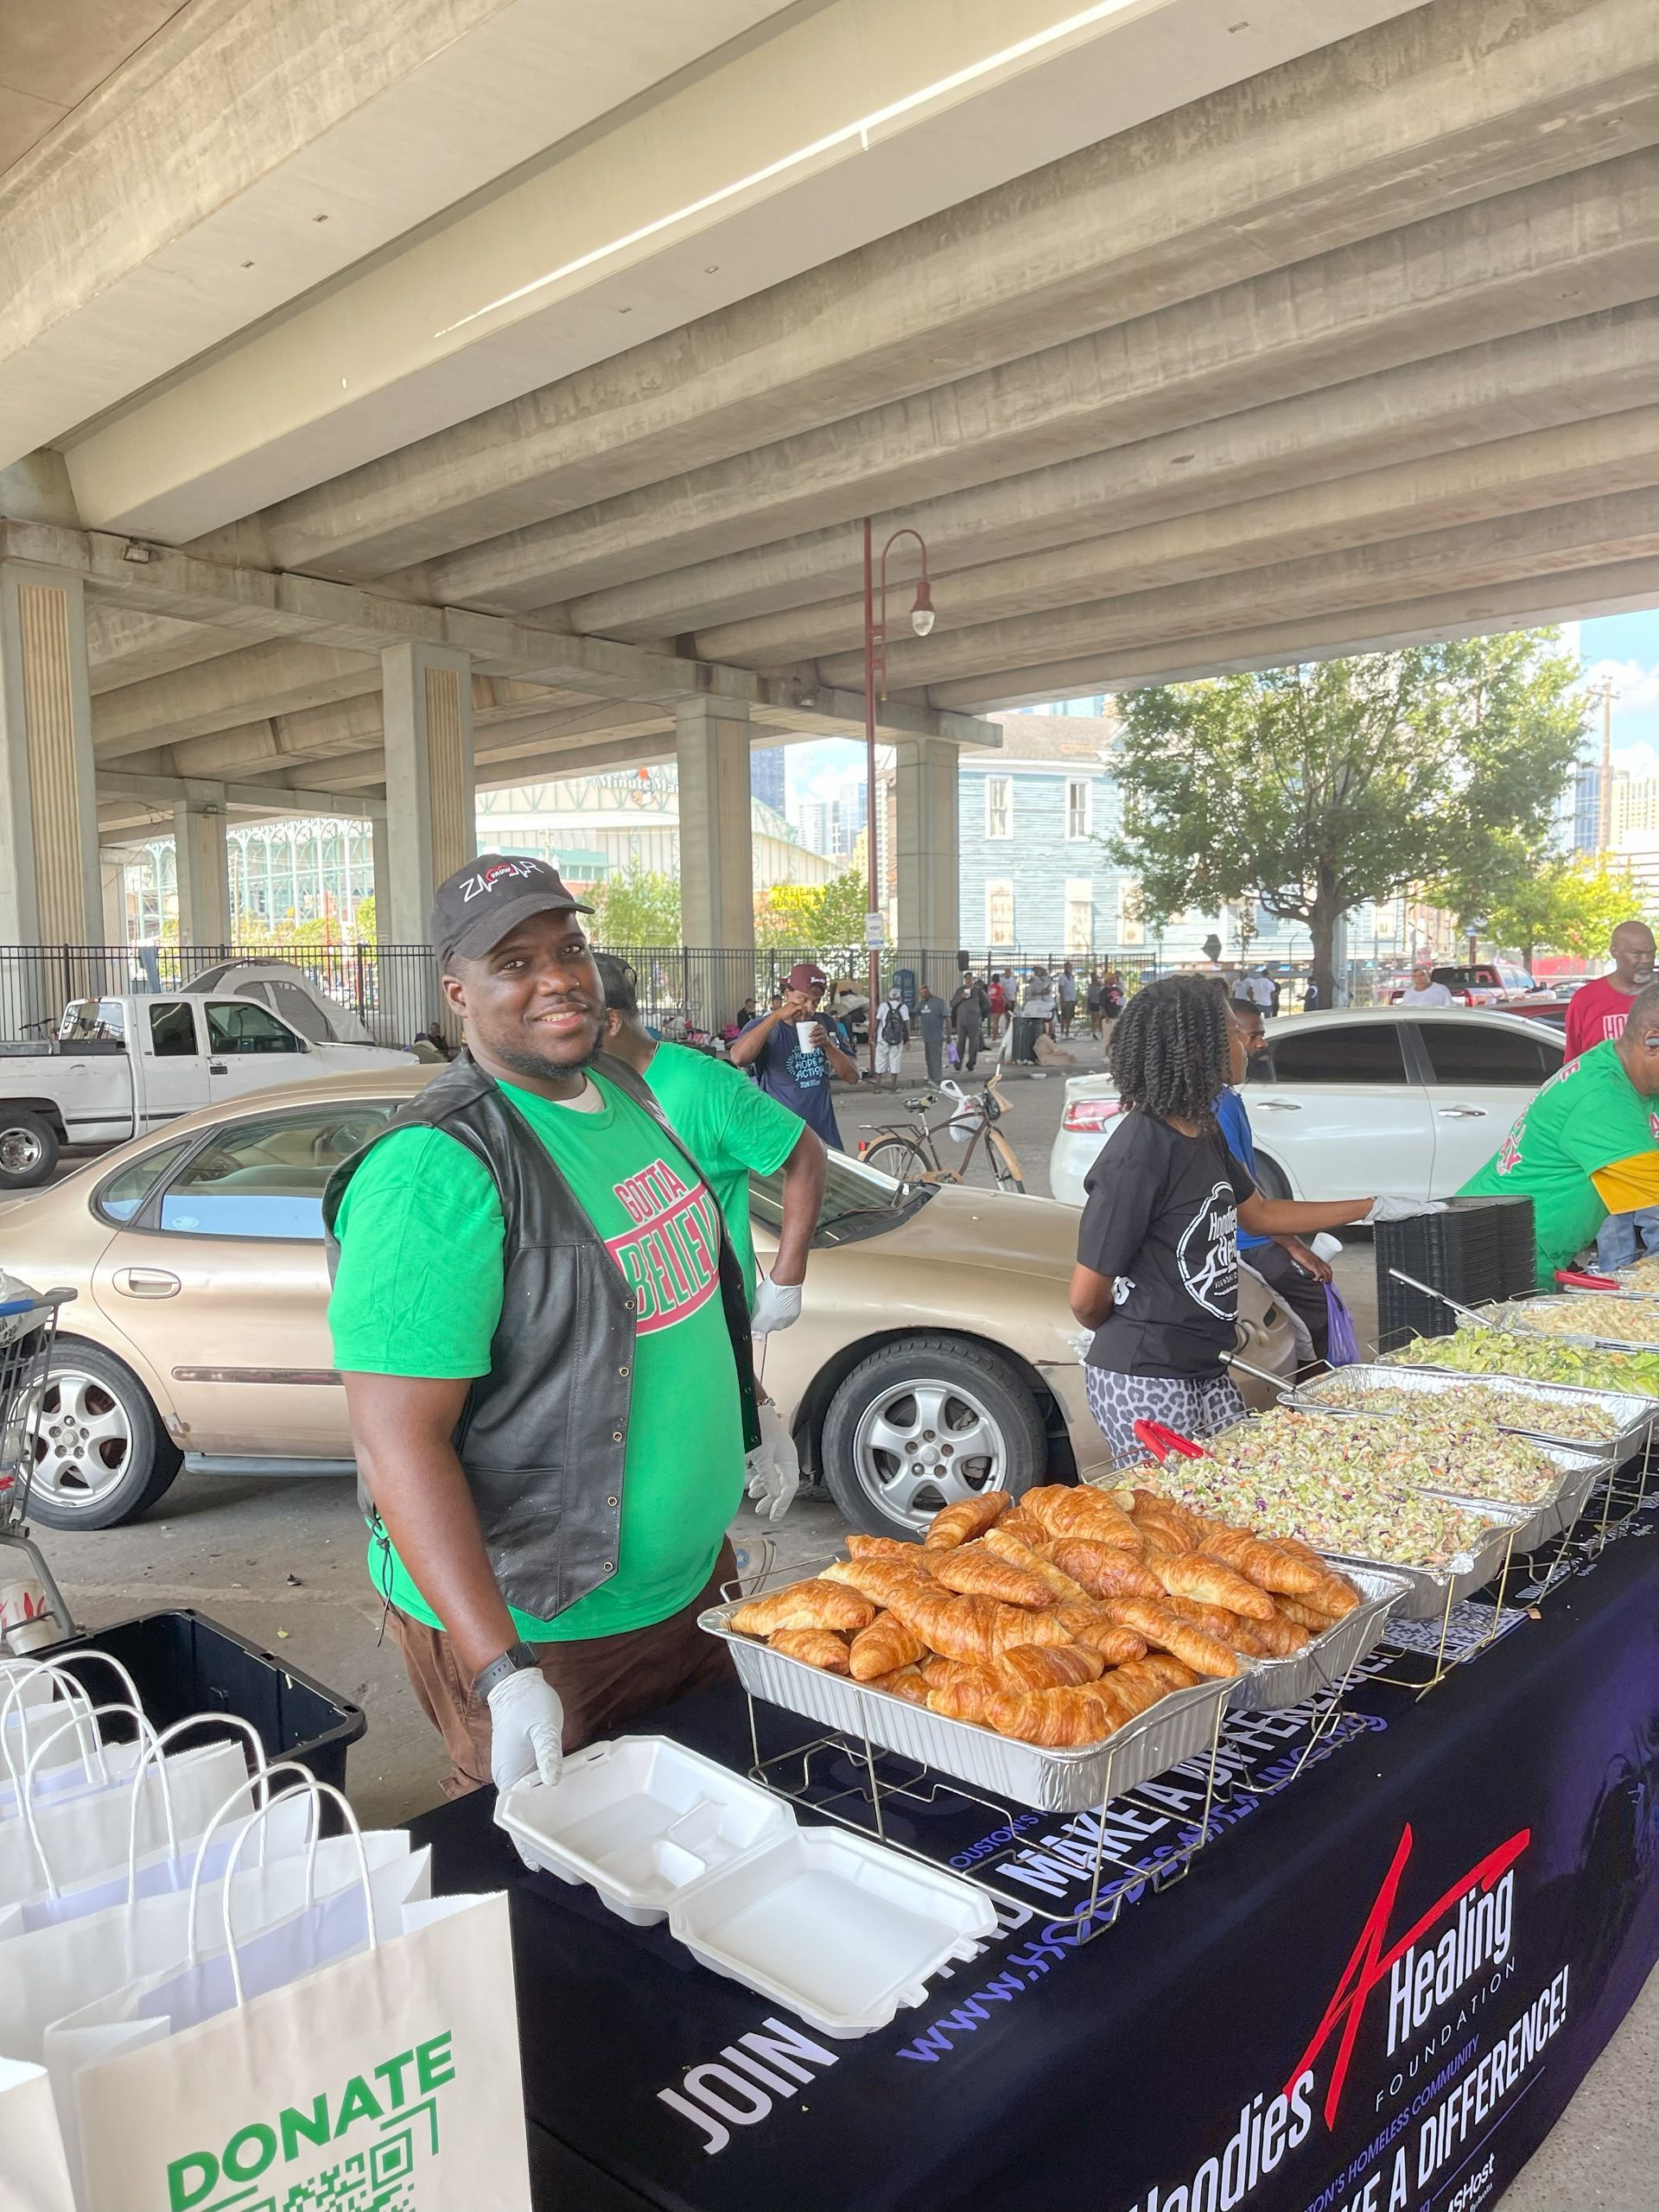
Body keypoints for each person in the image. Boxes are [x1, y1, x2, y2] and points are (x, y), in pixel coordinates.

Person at [325, 856, 764, 1806]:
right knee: (553, 1894)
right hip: (549, 1628)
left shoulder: (625, 1091)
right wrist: (499, 1669)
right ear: (458, 994)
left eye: (567, 948)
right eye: (513, 962)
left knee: (699, 1849)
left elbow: (685, 1298)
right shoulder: (431, 1173)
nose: (557, 976)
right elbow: (395, 1438)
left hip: (690, 1591)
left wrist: (749, 1428)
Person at [1068, 975, 1379, 1463]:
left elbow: (1258, 1215)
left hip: (1206, 1366)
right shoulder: (1138, 1152)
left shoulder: (1204, 1129)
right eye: (1236, 1032)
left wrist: (1372, 1208)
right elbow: (1086, 1300)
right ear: (1198, 1049)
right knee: (1181, 1525)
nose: (1248, 1046)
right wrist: (1147, 1325)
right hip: (1145, 1375)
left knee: (1234, 1498)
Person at [1459, 978, 1659, 1287]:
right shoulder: (1601, 1097)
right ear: (1652, 1041)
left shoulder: (1621, 1067)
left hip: (1526, 1243)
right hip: (1497, 1252)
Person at [1221, 998, 1370, 1369]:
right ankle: (1315, 1397)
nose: (1260, 1046)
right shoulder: (1217, 1107)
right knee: (1319, 1310)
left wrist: (1290, 1240)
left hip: (1255, 1234)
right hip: (1244, 1241)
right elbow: (1247, 1201)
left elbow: (1249, 1184)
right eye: (1251, 1037)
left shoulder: (1228, 1100)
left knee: (1317, 1305)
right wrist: (1291, 1244)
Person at [1565, 921, 1659, 1268]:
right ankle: (1616, 1299)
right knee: (1612, 1229)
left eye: (1651, 952)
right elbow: (1574, 1064)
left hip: (1653, 1133)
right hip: (1605, 1138)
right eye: (1637, 953)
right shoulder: (1587, 1000)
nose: (1646, 960)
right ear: (1615, 952)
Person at [728, 960, 859, 1149]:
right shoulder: (764, 1027)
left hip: (824, 1137)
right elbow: (738, 1057)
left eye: (815, 1002)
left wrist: (828, 1046)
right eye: (803, 999)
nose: (809, 1008)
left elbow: (853, 1077)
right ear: (787, 993)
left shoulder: (826, 1025)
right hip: (781, 1139)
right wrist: (775, 1017)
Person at [951, 973, 988, 1073]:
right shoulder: (960, 990)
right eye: (966, 979)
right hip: (961, 1021)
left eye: (970, 979)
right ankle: (958, 1064)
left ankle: (971, 1063)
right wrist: (961, 997)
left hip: (974, 1020)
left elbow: (987, 1004)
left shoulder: (978, 991)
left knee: (974, 1043)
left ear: (973, 980)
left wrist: (981, 1016)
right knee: (960, 1042)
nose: (968, 981)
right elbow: (952, 1003)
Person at [874, 988, 910, 1090]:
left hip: (883, 1038)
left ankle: (877, 1087)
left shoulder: (883, 1006)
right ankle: (893, 1087)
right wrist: (907, 1040)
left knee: (880, 1061)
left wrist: (873, 1035)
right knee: (895, 1061)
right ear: (900, 997)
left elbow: (877, 1021)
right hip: (897, 1039)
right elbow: (906, 1024)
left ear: (889, 997)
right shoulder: (903, 1007)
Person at [915, 982, 948, 1085]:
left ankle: (938, 1079)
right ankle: (931, 1077)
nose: (922, 996)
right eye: (921, 994)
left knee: (936, 1059)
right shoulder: (922, 1004)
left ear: (928, 992)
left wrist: (949, 1034)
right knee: (928, 1059)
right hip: (927, 1036)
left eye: (924, 994)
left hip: (936, 1036)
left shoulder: (938, 1002)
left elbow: (947, 1017)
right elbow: (914, 1012)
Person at [1058, 963, 1079, 1037]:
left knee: (1070, 1016)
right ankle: (1062, 1032)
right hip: (1066, 1000)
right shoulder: (1062, 977)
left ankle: (1067, 1032)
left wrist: (1075, 998)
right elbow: (1061, 989)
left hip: (1072, 999)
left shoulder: (1072, 977)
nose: (1069, 969)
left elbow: (1073, 989)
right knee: (1064, 1017)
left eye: (1070, 967)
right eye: (1067, 967)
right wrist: (1063, 1000)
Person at [988, 971, 1008, 1041]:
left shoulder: (990, 986)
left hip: (991, 1003)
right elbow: (1001, 994)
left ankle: (994, 1035)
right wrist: (1005, 1001)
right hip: (998, 1003)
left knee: (994, 1021)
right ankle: (995, 1035)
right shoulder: (998, 986)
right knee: (997, 1021)